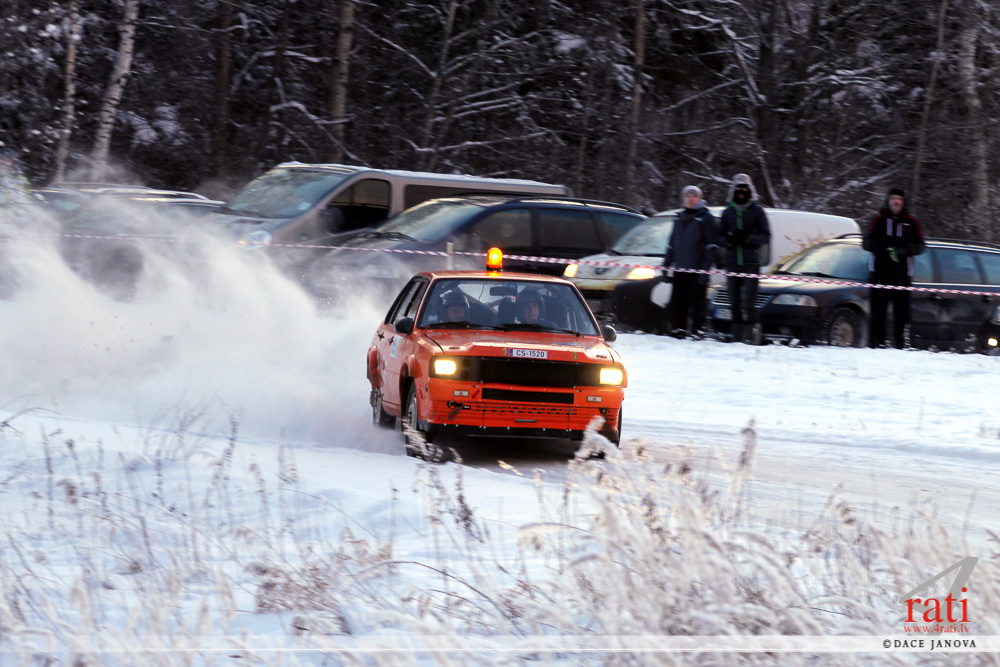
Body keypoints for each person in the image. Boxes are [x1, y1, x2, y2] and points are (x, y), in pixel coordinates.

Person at [862, 188, 926, 349]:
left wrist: (905, 250)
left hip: (902, 276)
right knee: (877, 313)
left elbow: (921, 246)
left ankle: (901, 346)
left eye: (899, 199)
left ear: (903, 203)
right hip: (879, 275)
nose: (896, 202)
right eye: (893, 199)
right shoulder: (877, 220)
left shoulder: (912, 222)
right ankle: (876, 344)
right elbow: (866, 243)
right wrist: (885, 248)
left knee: (902, 315)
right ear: (888, 201)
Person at [717, 174, 771, 344]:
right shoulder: (727, 212)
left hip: (751, 263)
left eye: (744, 188)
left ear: (750, 190)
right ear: (733, 190)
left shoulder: (758, 211)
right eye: (738, 188)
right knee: (733, 303)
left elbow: (766, 236)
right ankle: (736, 338)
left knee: (749, 303)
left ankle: (750, 339)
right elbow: (718, 237)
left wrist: (748, 238)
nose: (741, 191)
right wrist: (729, 240)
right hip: (732, 262)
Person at [662, 185, 717, 338]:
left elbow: (711, 246)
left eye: (694, 196)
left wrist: (705, 270)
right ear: (683, 198)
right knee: (678, 302)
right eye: (688, 196)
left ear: (699, 198)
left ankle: (698, 331)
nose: (691, 199)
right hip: (680, 269)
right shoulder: (678, 218)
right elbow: (671, 244)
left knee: (698, 304)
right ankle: (678, 330)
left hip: (697, 270)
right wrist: (666, 265)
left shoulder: (705, 217)